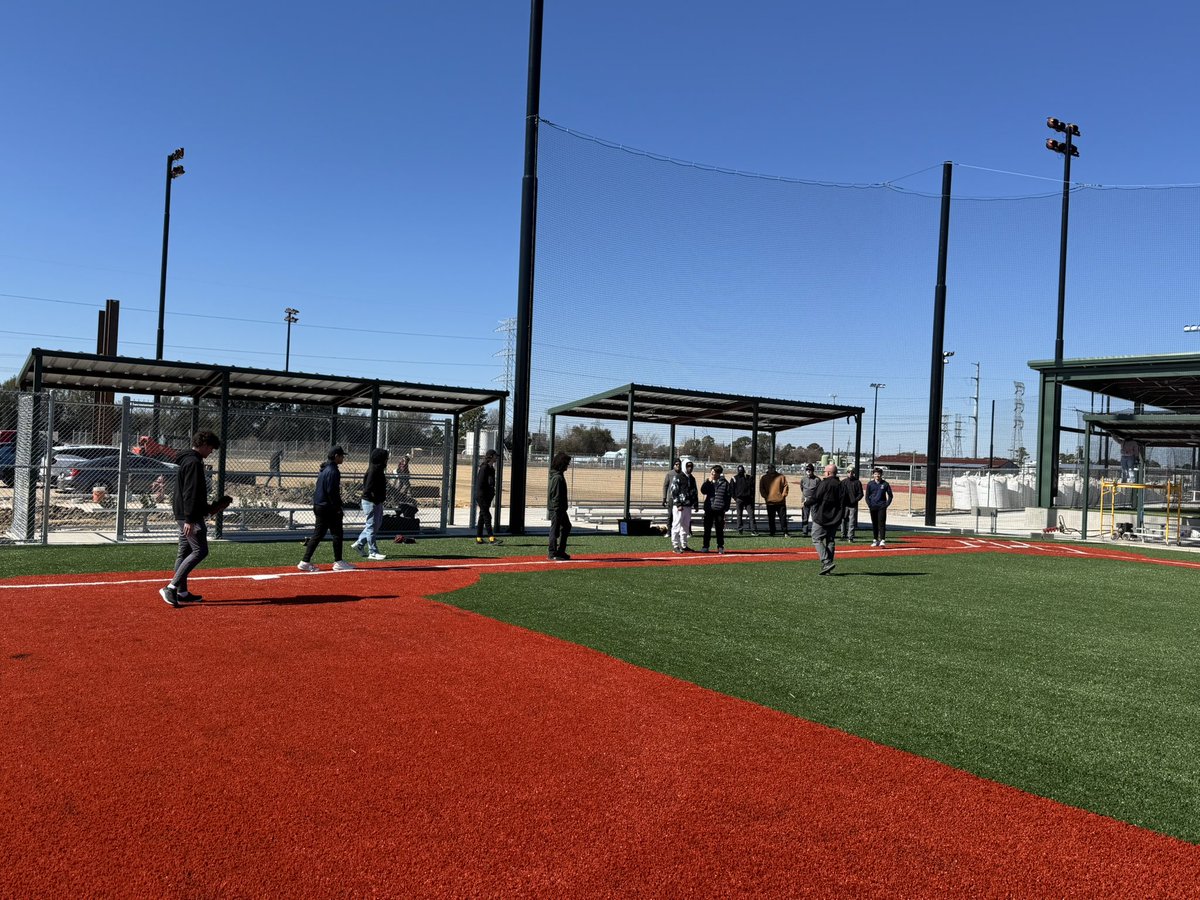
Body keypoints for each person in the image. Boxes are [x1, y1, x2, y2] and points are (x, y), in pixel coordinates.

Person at [159, 430, 231, 607]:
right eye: (211, 448)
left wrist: (208, 509)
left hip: (184, 513)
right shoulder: (194, 463)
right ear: (204, 445)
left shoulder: (188, 460)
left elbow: (192, 493)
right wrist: (191, 519)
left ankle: (181, 592)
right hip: (189, 515)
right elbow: (190, 493)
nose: (211, 452)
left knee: (184, 552)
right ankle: (171, 587)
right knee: (200, 550)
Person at [299, 446, 355, 572]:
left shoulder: (324, 469)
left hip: (319, 505)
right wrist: (338, 507)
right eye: (341, 456)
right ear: (336, 456)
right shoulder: (333, 470)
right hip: (328, 507)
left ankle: (305, 561)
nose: (343, 458)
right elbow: (332, 491)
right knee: (337, 534)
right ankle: (338, 561)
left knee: (318, 534)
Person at [351, 447, 389, 560]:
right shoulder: (374, 470)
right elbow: (368, 488)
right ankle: (372, 551)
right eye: (385, 458)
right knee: (371, 526)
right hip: (371, 501)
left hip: (377, 501)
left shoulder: (379, 469)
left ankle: (359, 543)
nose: (387, 460)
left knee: (376, 525)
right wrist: (374, 499)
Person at [808, 463, 845, 575]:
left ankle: (826, 561)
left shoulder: (824, 483)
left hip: (823, 517)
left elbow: (816, 497)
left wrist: (806, 503)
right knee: (830, 540)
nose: (824, 473)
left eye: (825, 471)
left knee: (816, 538)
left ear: (828, 473)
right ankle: (827, 565)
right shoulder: (841, 485)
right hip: (836, 517)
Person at [700, 464, 732, 553]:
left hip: (719, 509)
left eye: (714, 472)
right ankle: (705, 546)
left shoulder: (725, 483)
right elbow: (703, 491)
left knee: (719, 529)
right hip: (709, 508)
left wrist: (726, 507)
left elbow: (728, 496)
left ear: (718, 473)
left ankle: (720, 546)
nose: (712, 474)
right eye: (711, 472)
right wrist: (707, 482)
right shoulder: (709, 482)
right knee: (707, 529)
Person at [547, 451, 572, 561]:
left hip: (559, 508)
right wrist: (558, 510)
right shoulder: (558, 478)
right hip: (557, 509)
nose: (567, 466)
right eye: (566, 464)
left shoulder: (557, 476)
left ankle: (560, 551)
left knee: (566, 527)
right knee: (555, 530)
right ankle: (552, 552)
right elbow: (556, 496)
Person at [475, 449, 502, 544]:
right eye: (495, 456)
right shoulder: (484, 468)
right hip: (482, 496)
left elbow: (491, 483)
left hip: (487, 496)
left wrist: (491, 493)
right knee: (487, 516)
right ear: (490, 456)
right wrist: (486, 493)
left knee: (482, 516)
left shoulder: (491, 469)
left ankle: (479, 538)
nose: (496, 458)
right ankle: (491, 538)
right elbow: (480, 484)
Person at [866, 467, 894, 547]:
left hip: (881, 507)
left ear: (881, 475)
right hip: (873, 507)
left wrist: (886, 504)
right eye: (875, 474)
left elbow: (890, 496)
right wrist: (869, 504)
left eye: (878, 474)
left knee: (881, 523)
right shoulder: (870, 484)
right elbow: (867, 496)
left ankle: (882, 539)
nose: (877, 475)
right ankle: (875, 539)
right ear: (873, 475)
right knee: (874, 524)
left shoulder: (885, 484)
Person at [759, 464, 790, 537]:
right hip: (770, 502)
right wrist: (766, 497)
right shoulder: (764, 478)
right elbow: (761, 489)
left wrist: (783, 496)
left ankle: (785, 532)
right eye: (769, 468)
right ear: (768, 469)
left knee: (783, 518)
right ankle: (772, 532)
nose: (771, 469)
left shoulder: (781, 477)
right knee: (771, 519)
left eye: (772, 468)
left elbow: (786, 486)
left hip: (781, 502)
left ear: (774, 469)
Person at [731, 464, 757, 533]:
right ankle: (740, 529)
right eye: (740, 471)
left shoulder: (748, 478)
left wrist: (751, 496)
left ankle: (753, 529)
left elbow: (752, 487)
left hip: (748, 499)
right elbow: (732, 489)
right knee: (739, 515)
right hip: (739, 499)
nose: (741, 472)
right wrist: (735, 497)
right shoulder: (734, 478)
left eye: (742, 471)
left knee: (751, 515)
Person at [841, 468, 864, 542]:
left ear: (854, 473)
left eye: (852, 472)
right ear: (846, 473)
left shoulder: (857, 482)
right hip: (844, 505)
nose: (850, 473)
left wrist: (855, 500)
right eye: (848, 472)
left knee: (852, 521)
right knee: (843, 520)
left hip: (853, 505)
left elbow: (861, 494)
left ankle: (850, 537)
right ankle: (843, 535)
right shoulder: (843, 482)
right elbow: (840, 493)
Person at [797, 464, 819, 536]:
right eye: (807, 470)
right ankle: (804, 532)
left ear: (813, 471)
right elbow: (801, 488)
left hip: (814, 501)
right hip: (805, 500)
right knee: (805, 517)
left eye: (810, 470)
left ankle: (814, 531)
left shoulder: (817, 479)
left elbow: (819, 490)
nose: (808, 471)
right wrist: (804, 497)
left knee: (814, 517)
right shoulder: (803, 479)